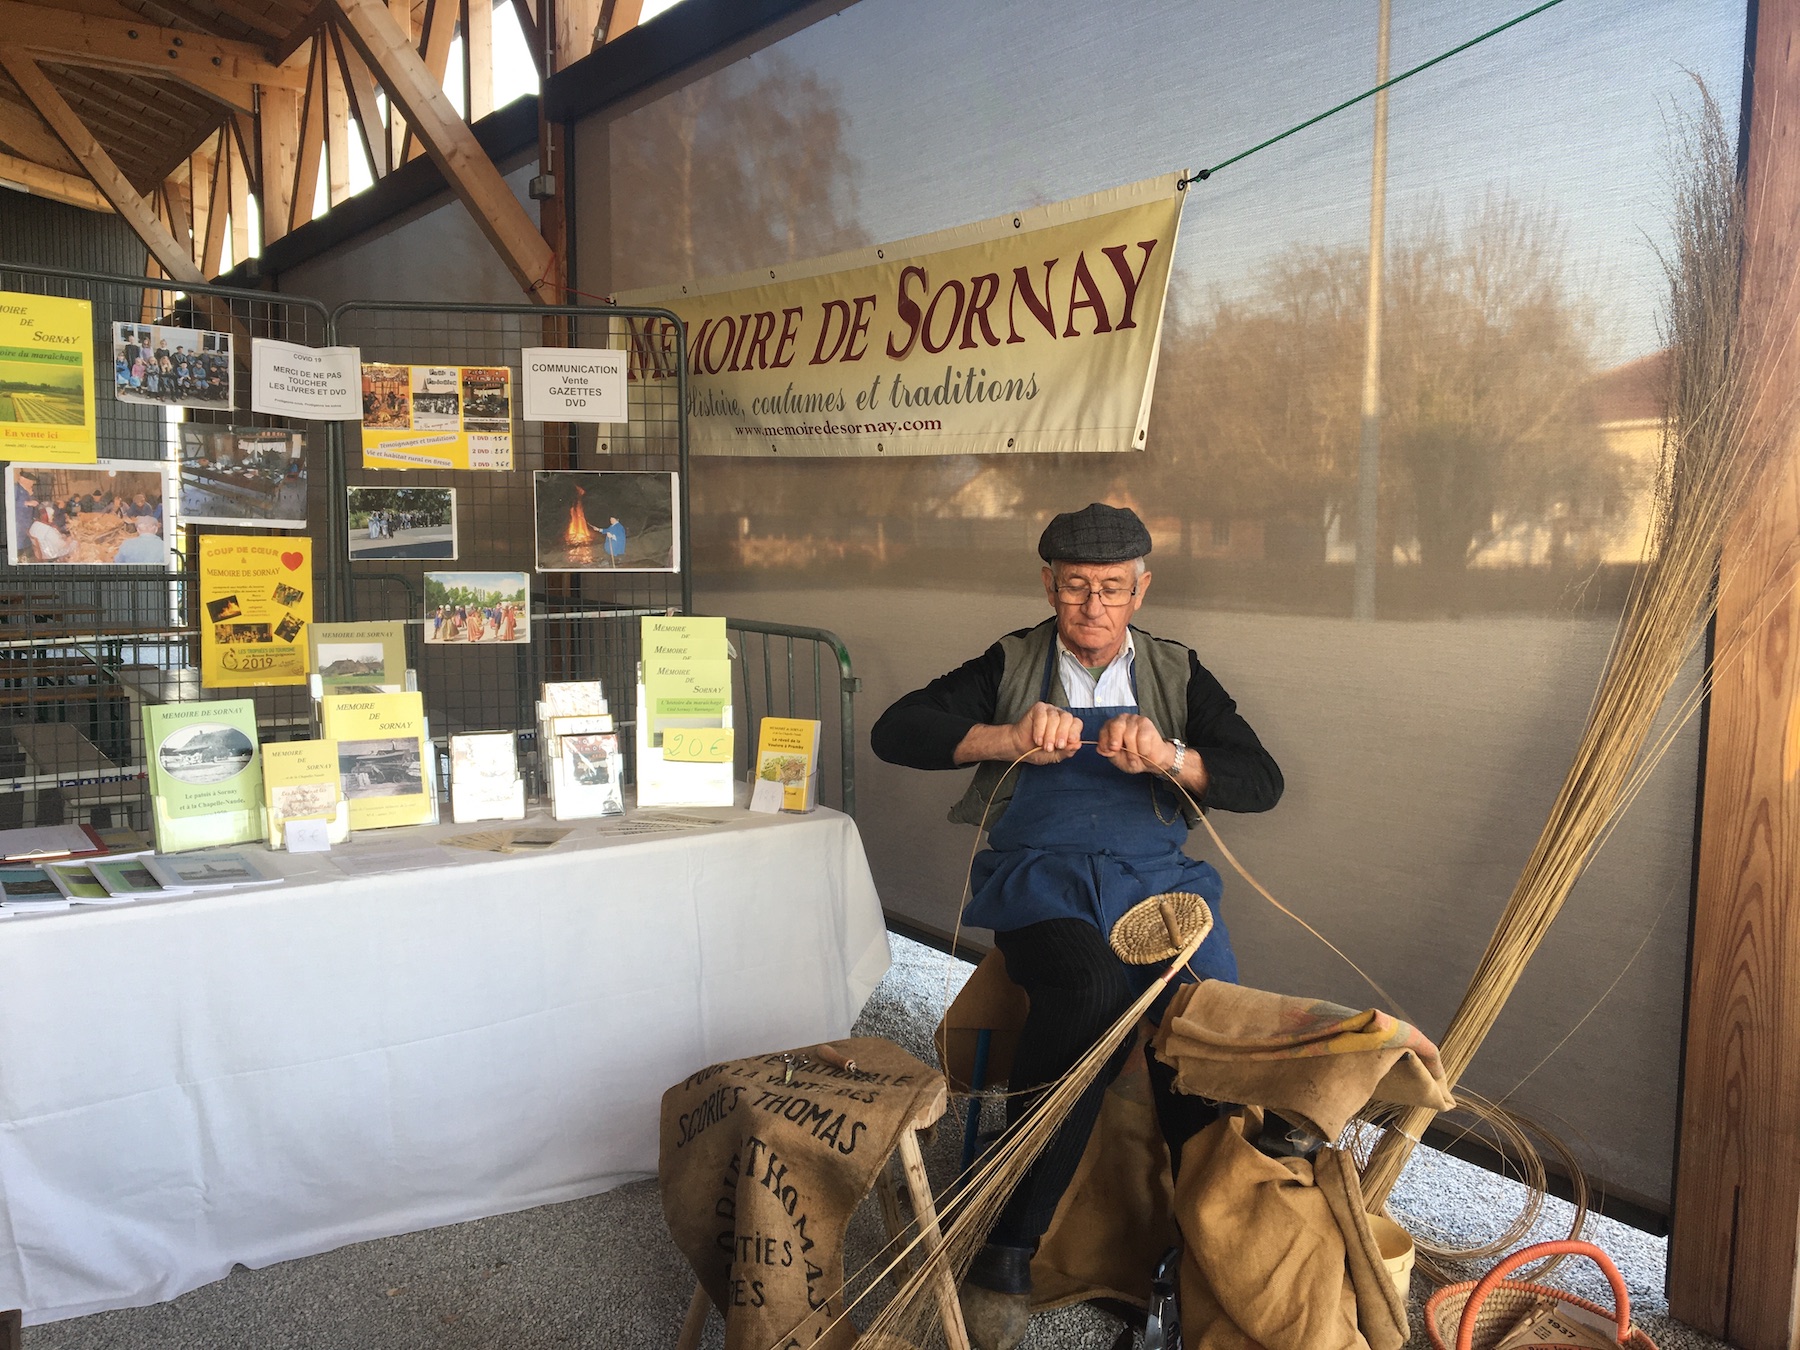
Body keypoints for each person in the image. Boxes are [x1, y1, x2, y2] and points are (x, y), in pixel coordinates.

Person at [870, 502, 1283, 1350]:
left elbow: (1260, 779)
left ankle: (1198, 1252)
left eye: (1111, 590)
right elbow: (895, 730)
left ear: (1141, 589)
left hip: (1156, 882)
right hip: (1040, 878)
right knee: (1091, 988)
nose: (1093, 609)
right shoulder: (1014, 661)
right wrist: (1005, 734)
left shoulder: (1175, 671)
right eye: (1074, 590)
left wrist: (1172, 757)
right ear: (1048, 586)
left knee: (1200, 1027)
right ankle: (1008, 1244)